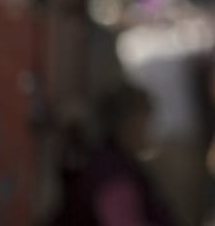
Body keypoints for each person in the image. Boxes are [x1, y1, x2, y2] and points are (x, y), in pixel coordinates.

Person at [52, 81, 179, 226]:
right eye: (146, 123)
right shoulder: (110, 173)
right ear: (132, 125)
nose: (150, 131)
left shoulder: (118, 163)